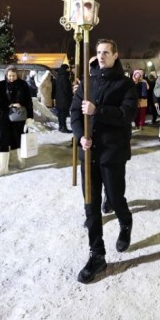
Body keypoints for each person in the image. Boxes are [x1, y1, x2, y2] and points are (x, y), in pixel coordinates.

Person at [70, 39, 137, 284]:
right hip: (89, 154)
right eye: (98, 52)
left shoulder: (125, 84)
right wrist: (80, 136)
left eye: (106, 52)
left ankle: (126, 221)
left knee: (115, 197)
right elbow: (75, 112)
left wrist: (98, 110)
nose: (101, 56)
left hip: (112, 153)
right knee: (91, 205)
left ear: (115, 55)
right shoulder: (88, 82)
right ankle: (97, 254)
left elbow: (125, 115)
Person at [0, 66, 34, 175]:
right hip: (4, 116)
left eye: (13, 75)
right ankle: (3, 167)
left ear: (17, 75)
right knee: (3, 140)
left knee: (19, 138)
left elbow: (29, 101)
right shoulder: (2, 84)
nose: (11, 78)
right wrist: (9, 105)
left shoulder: (23, 84)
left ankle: (21, 160)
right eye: (9, 75)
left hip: (19, 117)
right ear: (6, 75)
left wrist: (30, 116)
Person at [54, 64, 73, 133]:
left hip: (59, 99)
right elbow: (66, 89)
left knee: (60, 114)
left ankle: (61, 126)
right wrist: (71, 94)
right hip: (64, 99)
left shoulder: (58, 77)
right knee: (63, 114)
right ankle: (63, 127)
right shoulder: (65, 78)